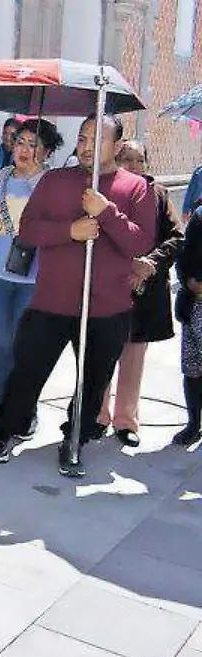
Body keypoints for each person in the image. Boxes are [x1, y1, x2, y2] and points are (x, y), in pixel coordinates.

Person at [0, 115, 156, 477]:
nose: (86, 146)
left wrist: (106, 212)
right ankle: (4, 433)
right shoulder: (55, 181)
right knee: (26, 371)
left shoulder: (136, 187)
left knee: (93, 381)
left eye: (97, 140)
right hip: (52, 300)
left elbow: (140, 242)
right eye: (82, 138)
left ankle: (74, 438)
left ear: (117, 146)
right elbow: (29, 230)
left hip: (107, 306)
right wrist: (71, 230)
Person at [0, 119, 63, 434]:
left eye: (33, 144)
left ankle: (24, 408)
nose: (24, 149)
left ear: (47, 152)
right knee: (1, 341)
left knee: (26, 347)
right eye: (20, 141)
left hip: (35, 279)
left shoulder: (54, 185)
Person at [97, 140, 183, 447]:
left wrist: (150, 264)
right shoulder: (106, 192)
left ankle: (125, 421)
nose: (133, 165)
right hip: (108, 286)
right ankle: (97, 416)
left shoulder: (158, 194)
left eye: (138, 160)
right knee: (102, 353)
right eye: (126, 159)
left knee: (133, 360)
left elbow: (175, 237)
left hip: (144, 290)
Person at [174, 203, 202, 446]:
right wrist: (189, 281)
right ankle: (194, 424)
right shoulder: (200, 216)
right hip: (195, 306)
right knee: (192, 369)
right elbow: (183, 254)